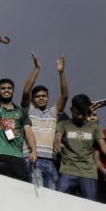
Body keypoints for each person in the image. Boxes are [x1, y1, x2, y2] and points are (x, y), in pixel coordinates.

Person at [24, 57, 66, 189]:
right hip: (33, 158)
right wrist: (36, 69)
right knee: (36, 192)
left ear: (48, 98)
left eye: (44, 96)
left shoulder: (53, 112)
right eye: (37, 96)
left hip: (51, 160)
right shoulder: (29, 110)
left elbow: (64, 96)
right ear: (33, 99)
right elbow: (26, 91)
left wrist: (61, 72)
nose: (41, 98)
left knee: (52, 195)